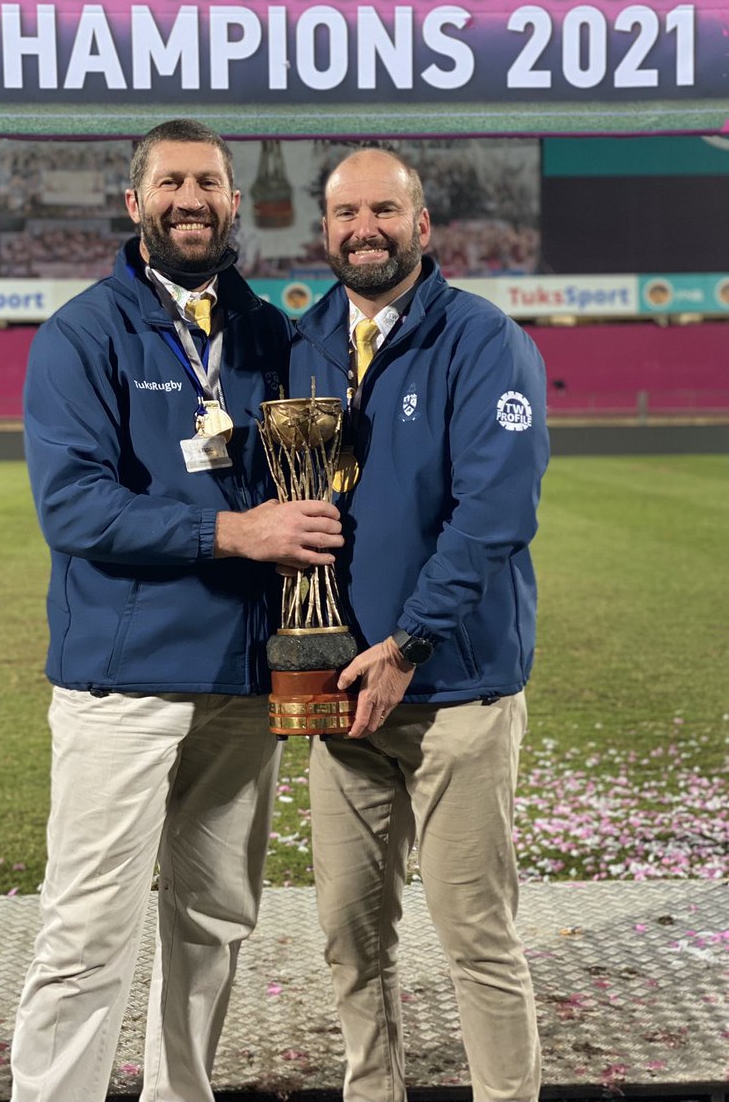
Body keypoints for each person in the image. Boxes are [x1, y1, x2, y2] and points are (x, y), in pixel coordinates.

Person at [11, 119, 343, 1102]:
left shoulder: (270, 335)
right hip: (124, 685)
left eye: (207, 181)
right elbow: (70, 507)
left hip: (243, 684)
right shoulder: (82, 333)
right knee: (86, 930)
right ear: (135, 202)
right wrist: (233, 536)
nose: (189, 198)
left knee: (211, 923)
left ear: (235, 202)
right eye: (169, 182)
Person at [289, 148, 549, 1102]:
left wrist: (406, 645)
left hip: (454, 692)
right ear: (325, 229)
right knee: (348, 937)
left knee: (476, 934)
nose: (365, 228)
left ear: (422, 224)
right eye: (346, 212)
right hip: (339, 696)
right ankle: (374, 1091)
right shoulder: (306, 341)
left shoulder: (486, 342)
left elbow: (494, 515)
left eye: (384, 211)